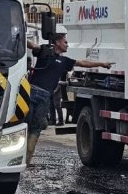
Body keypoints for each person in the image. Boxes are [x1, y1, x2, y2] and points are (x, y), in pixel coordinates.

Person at [25, 30, 113, 166]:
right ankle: (22, 157)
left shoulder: (65, 61)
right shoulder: (44, 50)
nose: (68, 45)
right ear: (58, 42)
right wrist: (16, 36)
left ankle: (25, 160)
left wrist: (101, 64)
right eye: (65, 42)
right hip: (32, 93)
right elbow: (32, 45)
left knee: (34, 127)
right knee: (28, 126)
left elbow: (83, 63)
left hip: (43, 96)